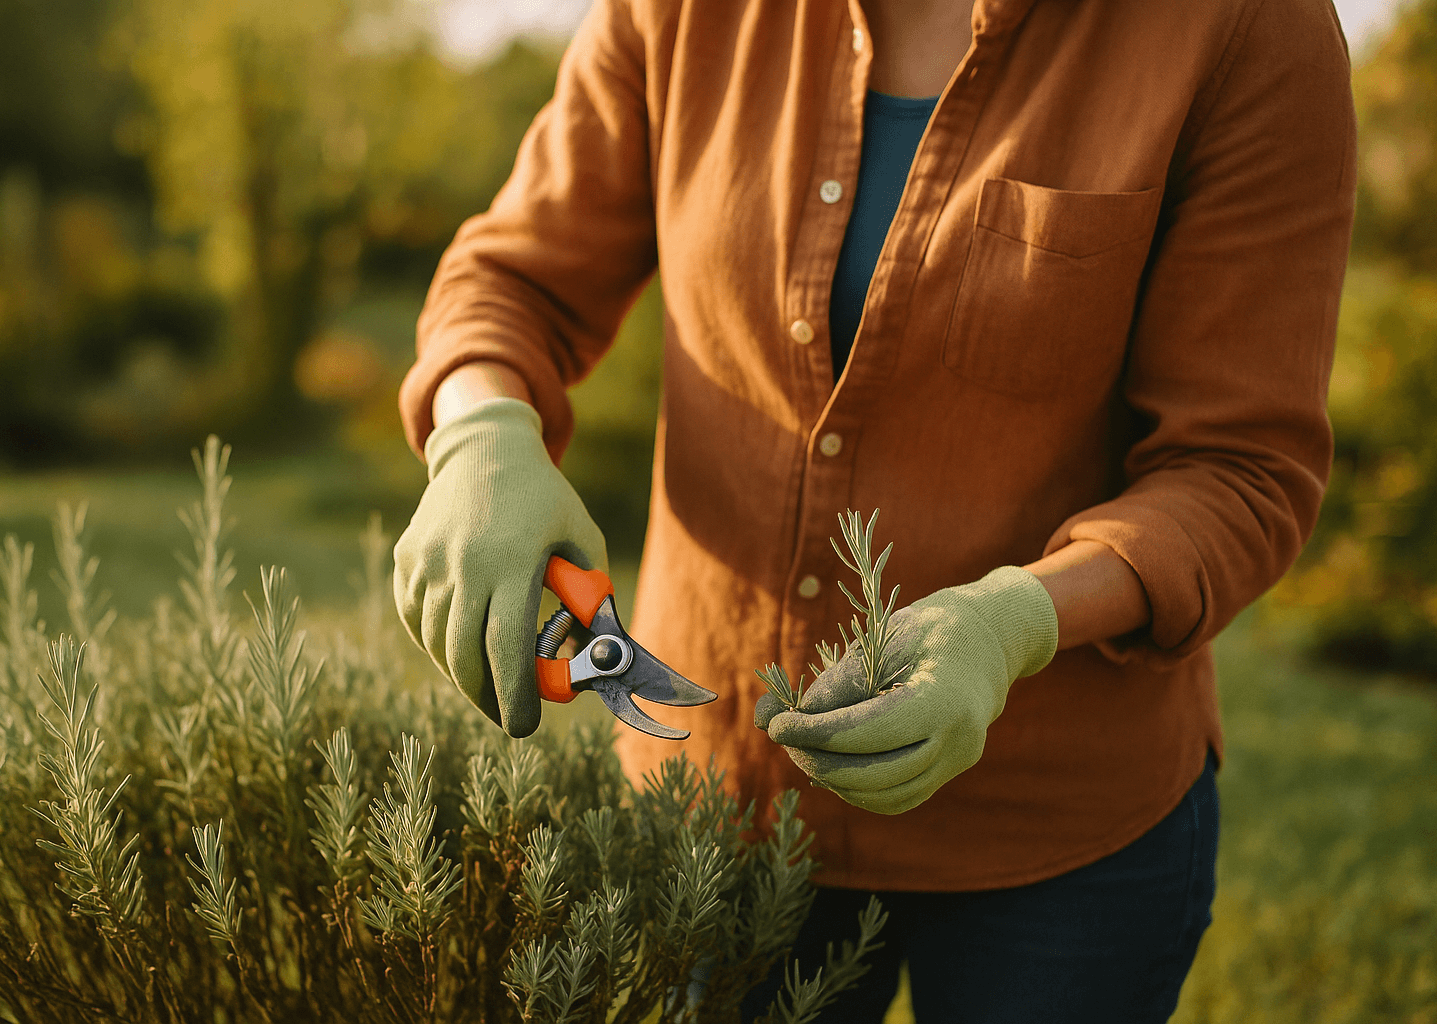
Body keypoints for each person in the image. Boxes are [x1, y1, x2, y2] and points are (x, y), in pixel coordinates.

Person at [392, 0, 1356, 1018]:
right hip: (719, 796)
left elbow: (1237, 468)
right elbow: (511, 282)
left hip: (1059, 836)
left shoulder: (1243, 26)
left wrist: (1016, 622)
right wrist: (482, 433)